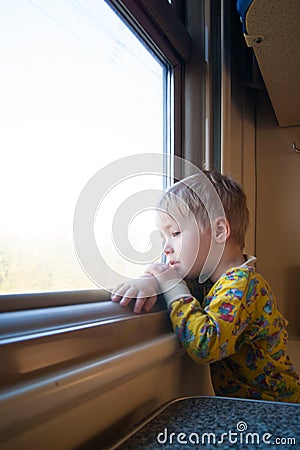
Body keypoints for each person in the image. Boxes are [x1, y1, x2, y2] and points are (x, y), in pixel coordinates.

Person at [111, 169, 300, 403]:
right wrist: (151, 280)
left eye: (176, 233)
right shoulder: (210, 283)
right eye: (164, 238)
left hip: (279, 411)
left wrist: (171, 285)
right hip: (252, 409)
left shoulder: (243, 285)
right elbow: (170, 277)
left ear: (220, 231)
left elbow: (205, 345)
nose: (166, 248)